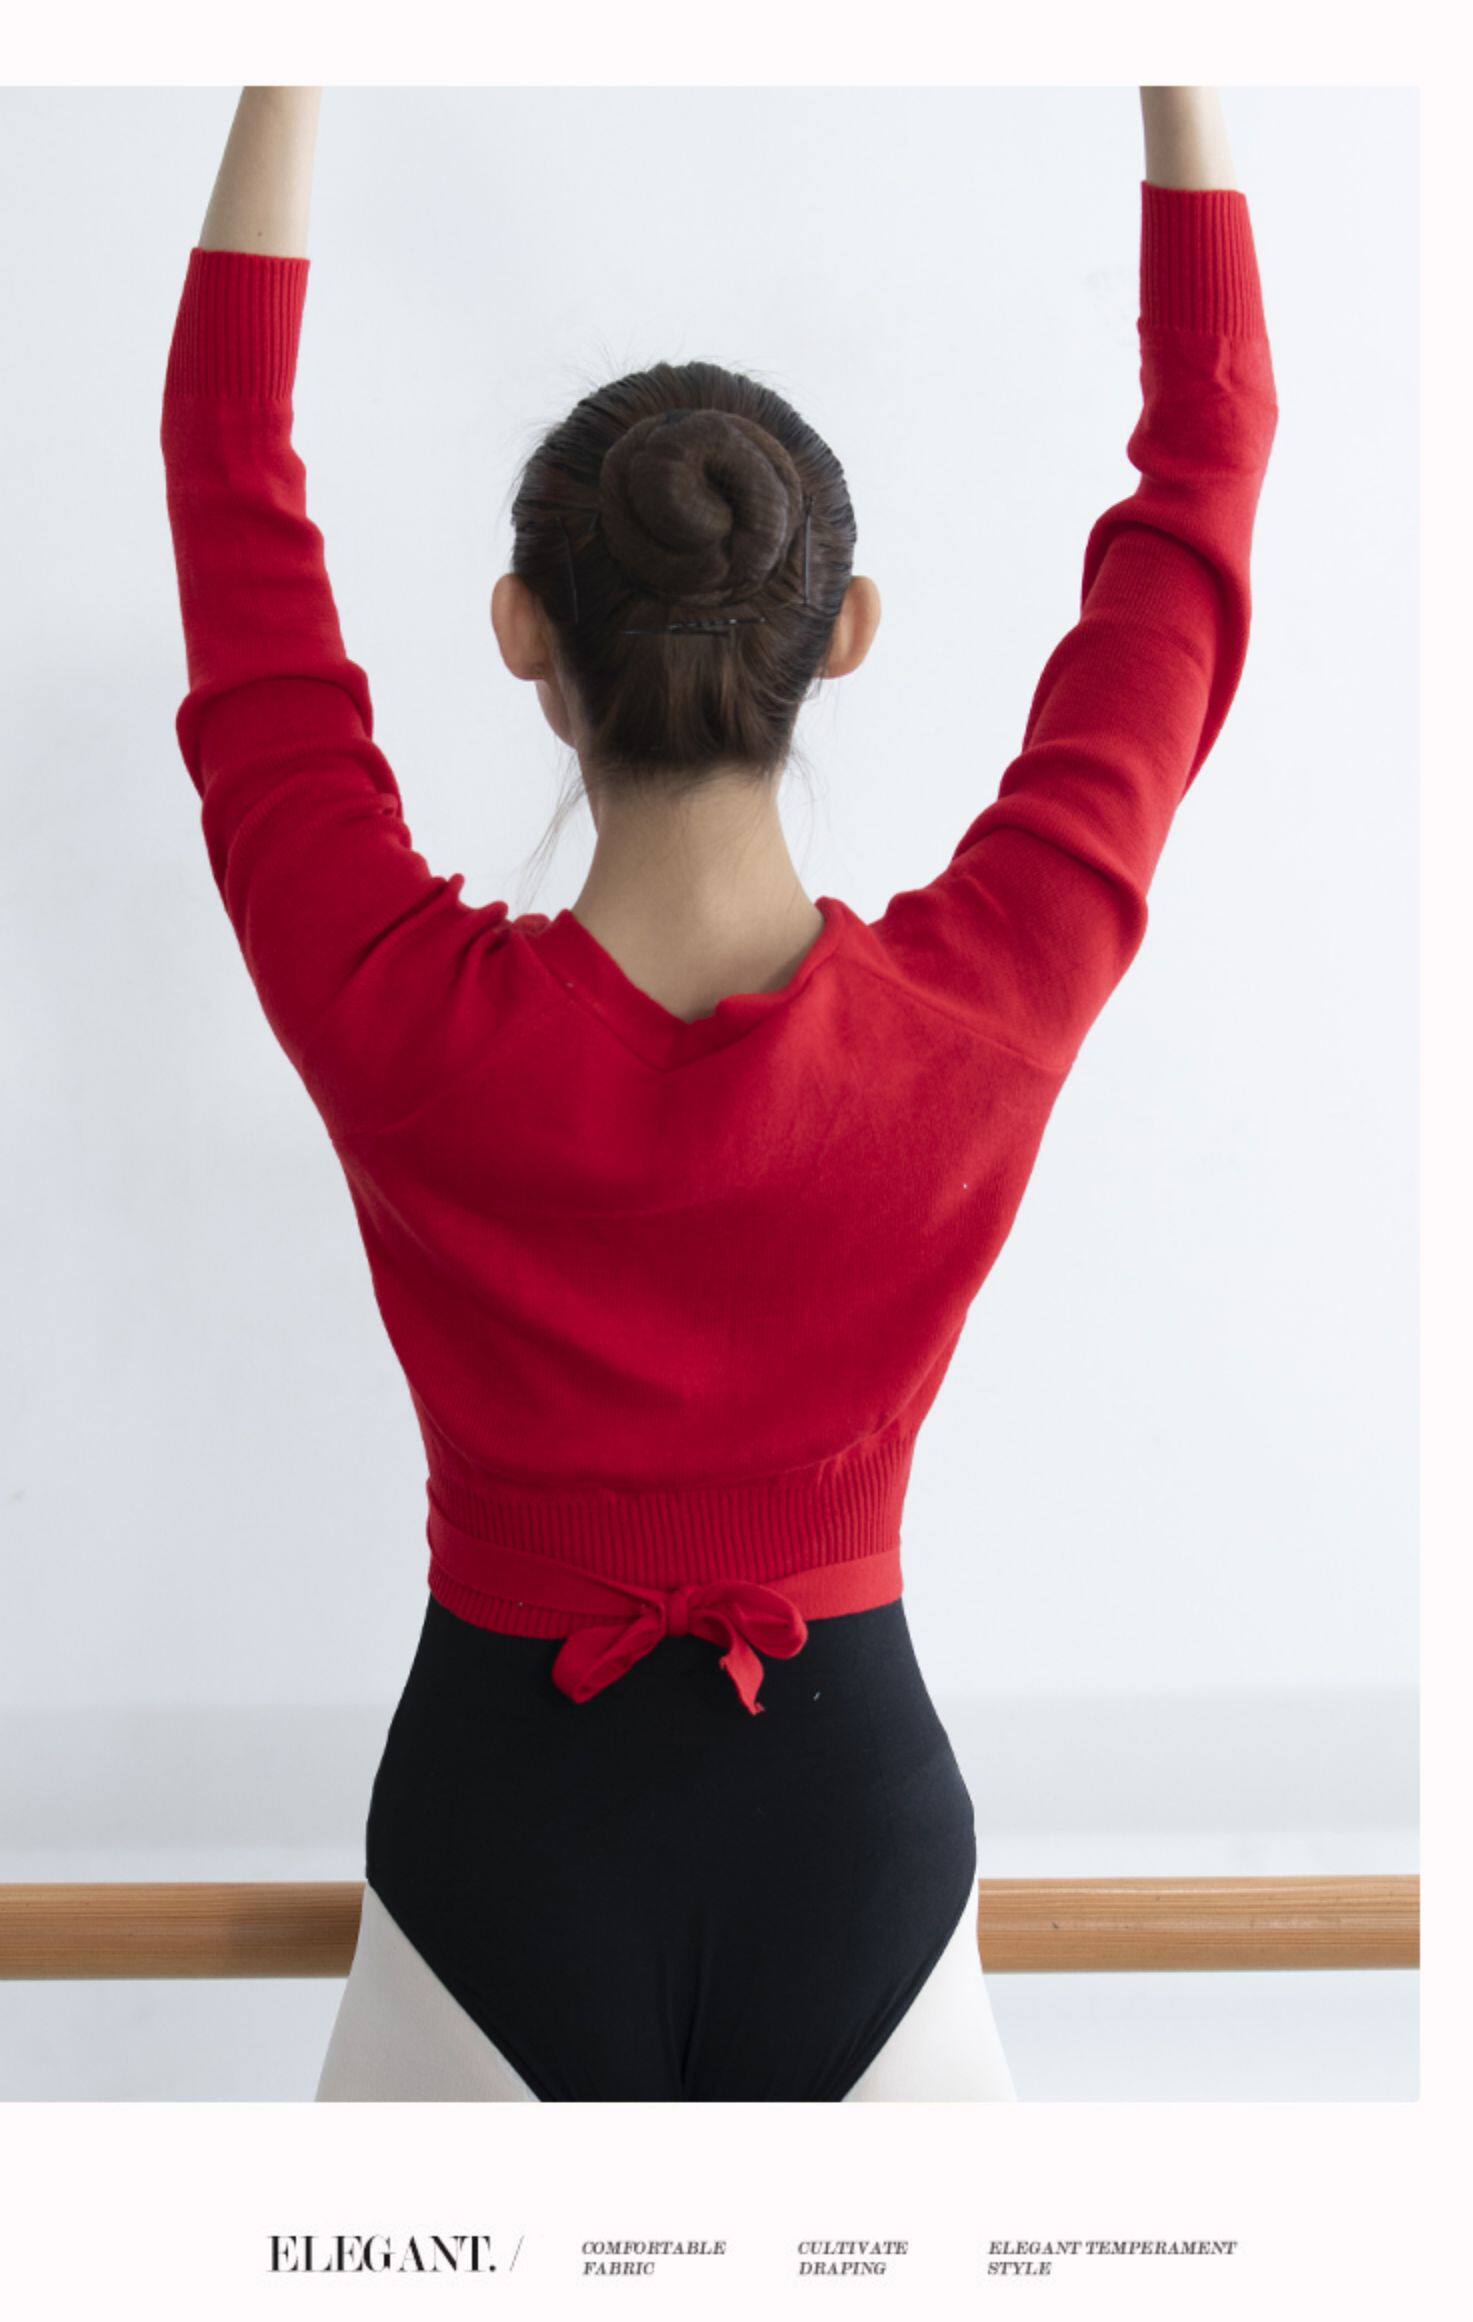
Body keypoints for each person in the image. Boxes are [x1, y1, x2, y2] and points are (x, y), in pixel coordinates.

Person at [159, 84, 1277, 2102]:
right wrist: (1183, 76)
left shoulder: (397, 1016)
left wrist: (282, 66)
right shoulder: (982, 1015)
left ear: (523, 632)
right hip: (856, 1864)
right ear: (844, 634)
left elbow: (227, 482)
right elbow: (1200, 510)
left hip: (494, 1853)